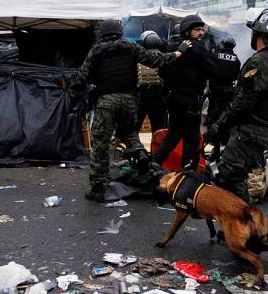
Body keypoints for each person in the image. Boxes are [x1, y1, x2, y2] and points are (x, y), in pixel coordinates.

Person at [69, 19, 183, 202]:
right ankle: (140, 155)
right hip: (129, 101)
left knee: (100, 142)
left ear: (103, 33)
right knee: (128, 133)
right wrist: (177, 53)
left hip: (106, 101)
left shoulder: (96, 51)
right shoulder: (130, 47)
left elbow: (80, 79)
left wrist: (73, 104)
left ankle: (98, 186)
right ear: (119, 31)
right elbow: (155, 60)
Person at [207, 8, 268, 201]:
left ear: (259, 33)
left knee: (227, 178)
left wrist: (219, 125)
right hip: (262, 130)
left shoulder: (261, 60)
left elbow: (245, 101)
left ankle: (241, 225)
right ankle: (241, 226)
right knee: (238, 179)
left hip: (248, 132)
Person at [154, 15, 217, 171]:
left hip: (174, 98)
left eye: (202, 29)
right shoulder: (198, 48)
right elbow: (213, 71)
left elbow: (162, 72)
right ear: (187, 31)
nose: (201, 32)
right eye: (197, 29)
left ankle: (153, 164)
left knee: (173, 135)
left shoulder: (172, 47)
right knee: (191, 139)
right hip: (190, 100)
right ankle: (186, 175)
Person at [136, 30, 168, 133]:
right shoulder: (164, 57)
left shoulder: (139, 57)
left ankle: (133, 149)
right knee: (159, 129)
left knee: (134, 129)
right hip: (159, 98)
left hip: (141, 97)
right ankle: (157, 149)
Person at [206, 37, 240, 128]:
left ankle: (208, 122)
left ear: (223, 44)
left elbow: (209, 70)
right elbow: (237, 76)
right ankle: (217, 126)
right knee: (223, 108)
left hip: (214, 86)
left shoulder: (215, 55)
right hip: (227, 88)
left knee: (212, 104)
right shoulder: (236, 59)